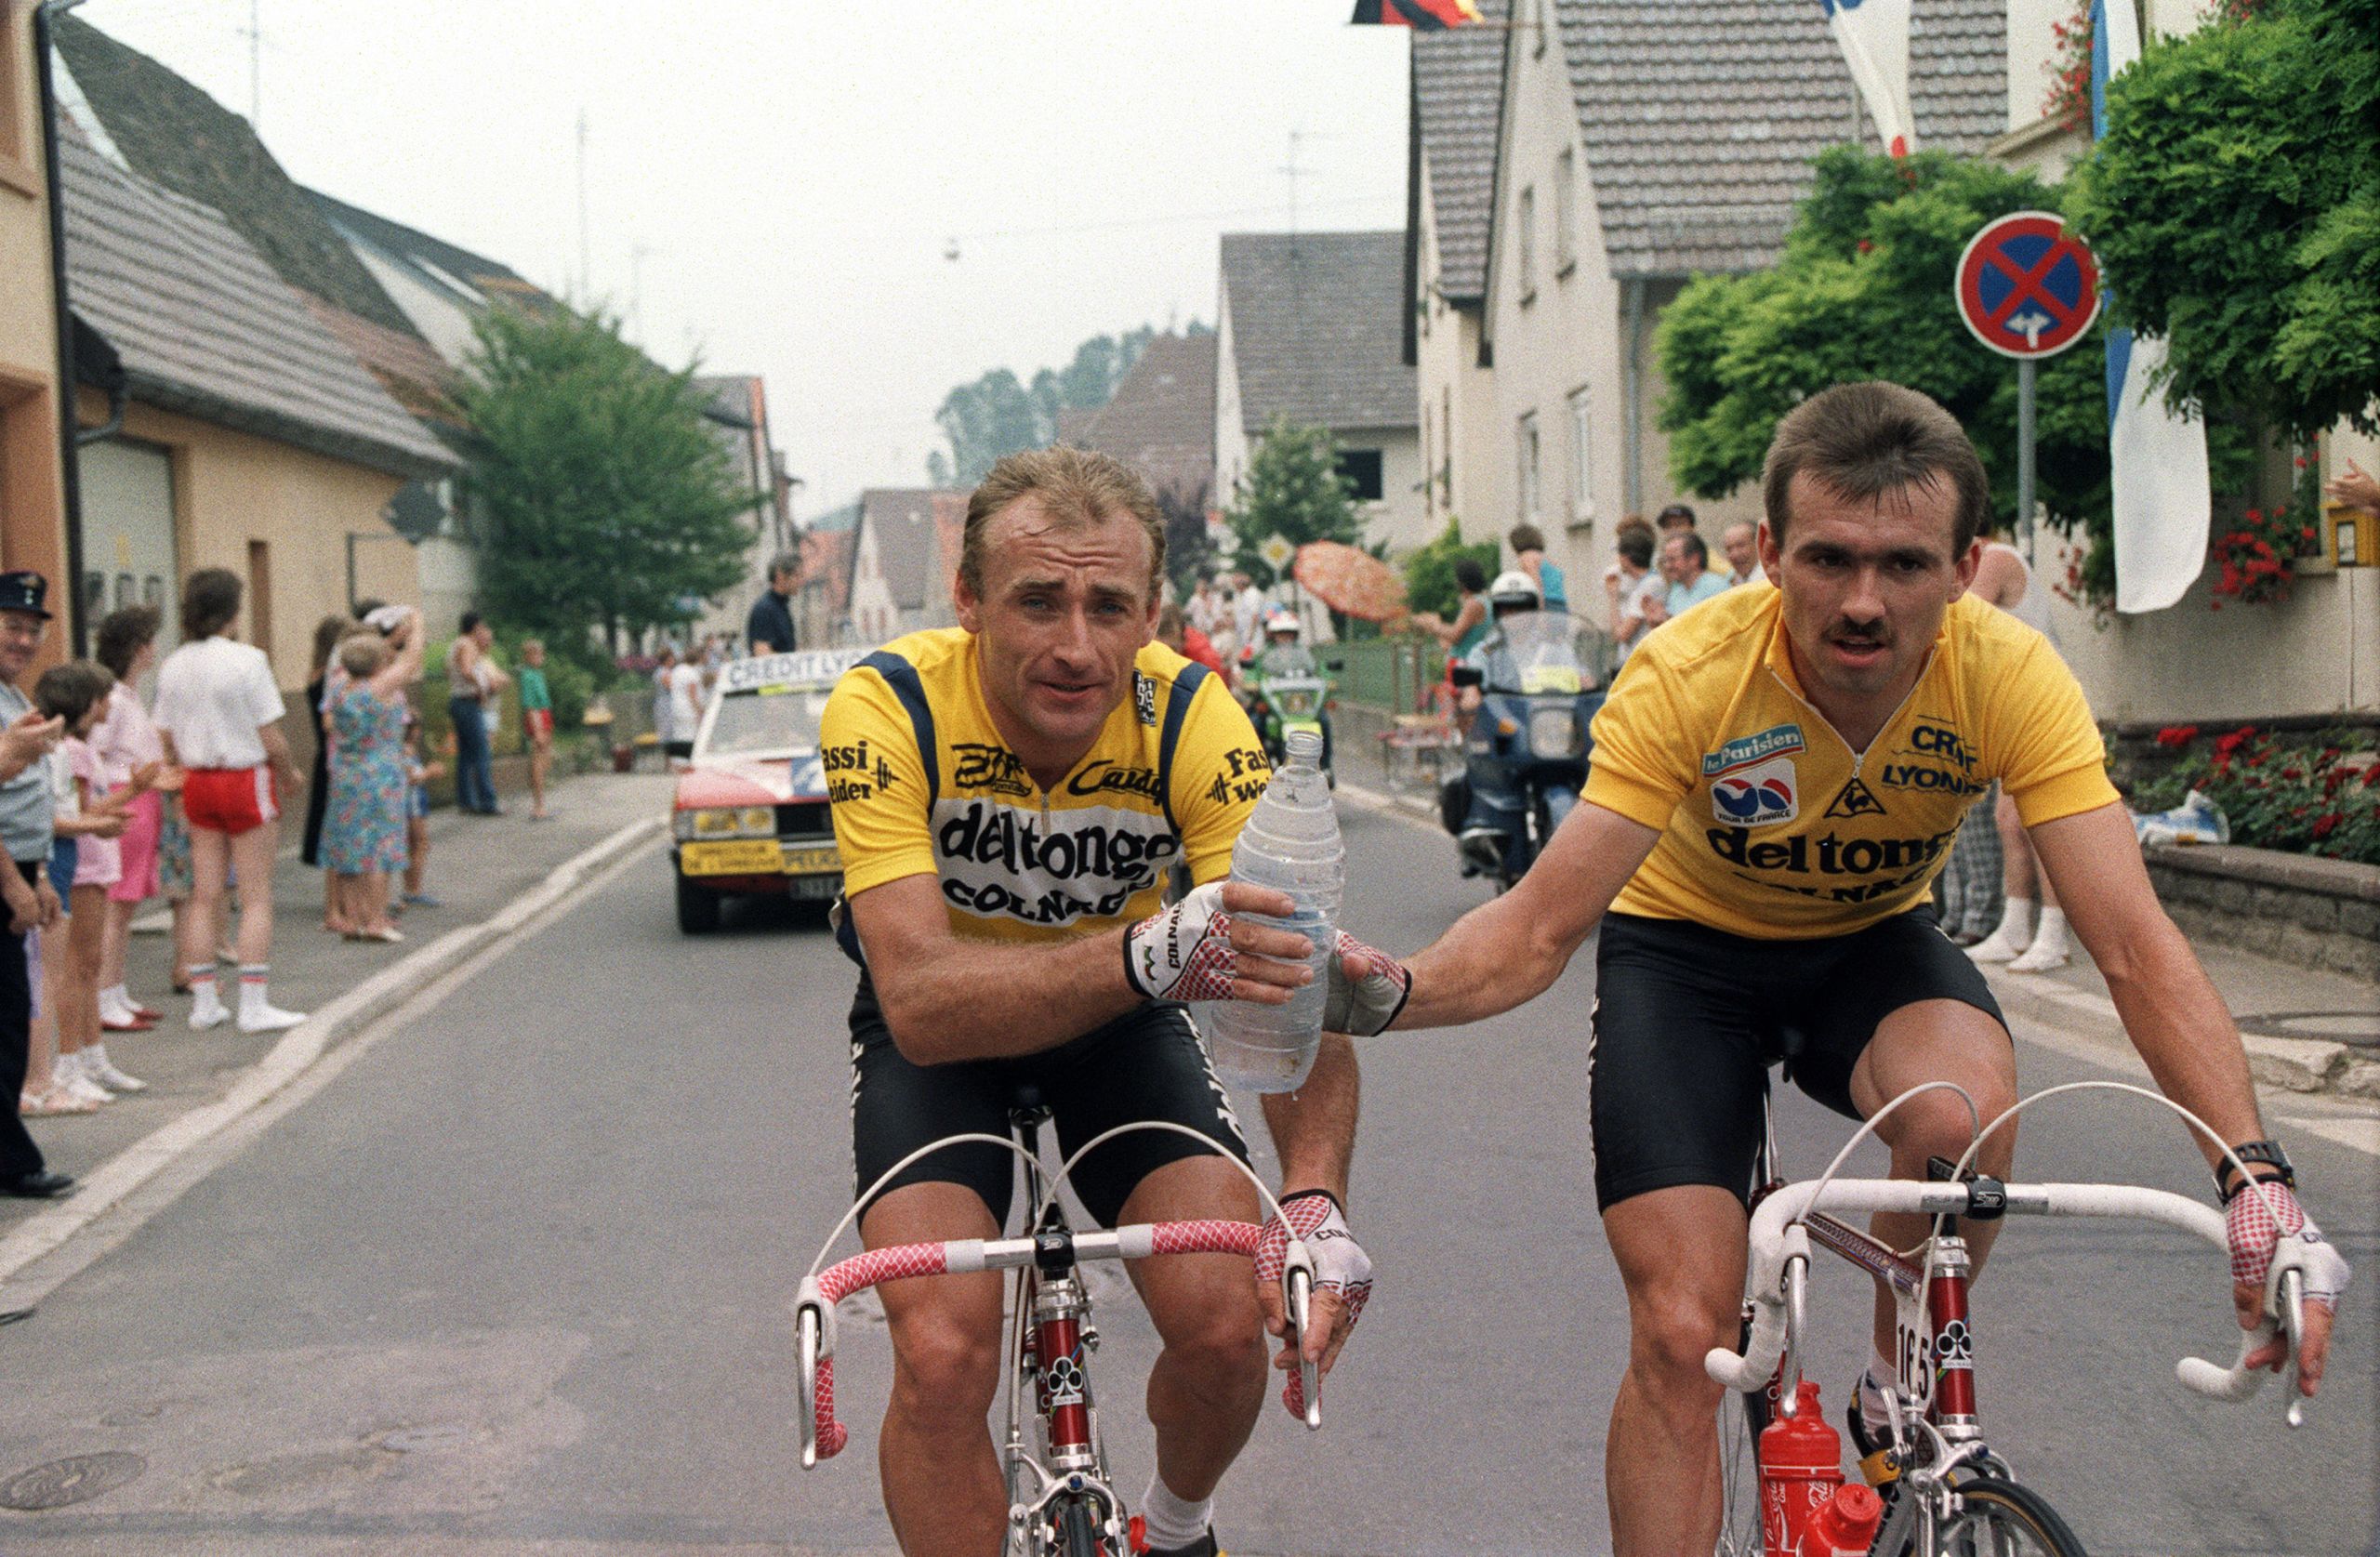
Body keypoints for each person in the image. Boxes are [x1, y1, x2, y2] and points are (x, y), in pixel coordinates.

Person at [1316, 382, 2349, 1554]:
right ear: (1769, 555)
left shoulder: (2006, 673)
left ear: (1964, 568)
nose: (1863, 601)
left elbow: (2132, 946)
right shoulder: (1691, 672)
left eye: (1904, 565)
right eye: (1828, 559)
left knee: (1962, 1115)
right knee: (1684, 1334)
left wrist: (2255, 1180)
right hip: (1685, 961)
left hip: (1866, 945)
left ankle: (1891, 1383)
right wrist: (1390, 992)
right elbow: (1539, 928)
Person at [821, 445, 1375, 1557]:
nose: (1076, 647)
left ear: (1152, 614)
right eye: (1038, 600)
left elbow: (1287, 973)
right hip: (943, 1044)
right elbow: (921, 1001)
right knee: (940, 1353)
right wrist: (1145, 951)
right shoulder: (889, 704)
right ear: (969, 599)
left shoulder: (1190, 715)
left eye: (1109, 606)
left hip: (1121, 1028)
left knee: (1227, 1324)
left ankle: (1174, 1527)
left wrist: (1314, 1197)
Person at [152, 567, 308, 1034]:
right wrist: (289, 774)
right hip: (244, 777)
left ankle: (204, 1002)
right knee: (256, 896)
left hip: (198, 780)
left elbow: (164, 733)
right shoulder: (249, 660)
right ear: (232, 612)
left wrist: (177, 769)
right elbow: (271, 737)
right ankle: (253, 1005)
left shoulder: (173, 664)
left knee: (205, 895)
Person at [1962, 521, 2075, 971]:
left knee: (2037, 823)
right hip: (2016, 709)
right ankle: (2015, 929)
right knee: (2008, 822)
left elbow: (1961, 618)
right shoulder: (1980, 561)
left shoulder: (1995, 559)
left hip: (2046, 703)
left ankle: (2053, 936)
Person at [41, 662, 154, 1103]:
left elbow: (90, 808)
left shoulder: (81, 750)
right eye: (102, 697)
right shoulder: (75, 752)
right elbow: (84, 814)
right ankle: (70, 1060)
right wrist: (129, 797)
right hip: (85, 864)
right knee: (79, 966)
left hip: (94, 861)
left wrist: (134, 790)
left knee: (89, 964)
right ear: (86, 704)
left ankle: (92, 1056)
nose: (109, 704)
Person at [0, 572, 73, 1197]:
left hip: (20, 867)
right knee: (3, 1019)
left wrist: (40, 873)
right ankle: (12, 1161)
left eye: (32, 630)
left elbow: (26, 798)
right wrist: (12, 884)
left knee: (10, 1018)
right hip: (2, 873)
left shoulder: (14, 696)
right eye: (11, 627)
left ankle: (9, 1156)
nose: (23, 640)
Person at [90, 605, 169, 1033]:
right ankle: (104, 997)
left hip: (142, 796)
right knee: (116, 905)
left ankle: (116, 988)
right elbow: (97, 752)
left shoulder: (129, 696)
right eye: (149, 642)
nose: (154, 649)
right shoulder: (116, 700)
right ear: (138, 649)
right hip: (126, 797)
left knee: (126, 904)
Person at [324, 618, 423, 943]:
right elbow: (411, 661)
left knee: (350, 846)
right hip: (381, 775)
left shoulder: (339, 688)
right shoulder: (378, 690)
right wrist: (416, 623)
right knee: (380, 849)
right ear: (378, 663)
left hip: (346, 774)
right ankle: (377, 920)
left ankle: (353, 919)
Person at [299, 614, 352, 930]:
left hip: (323, 755)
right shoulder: (337, 678)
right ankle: (339, 902)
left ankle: (341, 900)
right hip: (336, 756)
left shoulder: (314, 674)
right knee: (338, 830)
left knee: (329, 826)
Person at [445, 611, 507, 815]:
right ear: (475, 627)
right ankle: (487, 802)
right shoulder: (467, 644)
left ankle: (466, 801)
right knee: (481, 752)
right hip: (468, 702)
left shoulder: (455, 644)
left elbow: (450, 671)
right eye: (480, 627)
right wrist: (482, 687)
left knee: (465, 754)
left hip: (457, 700)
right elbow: (466, 670)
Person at [1609, 525, 1664, 663]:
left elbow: (1622, 634)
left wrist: (1613, 596)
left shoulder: (1648, 586)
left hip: (1640, 661)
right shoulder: (1653, 581)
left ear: (1626, 558)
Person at [1655, 530, 1730, 620]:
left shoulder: (1715, 587)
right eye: (1665, 560)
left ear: (1694, 559)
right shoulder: (1677, 590)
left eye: (1672, 559)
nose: (1667, 566)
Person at [518, 639, 555, 820]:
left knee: (545, 759)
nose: (539, 657)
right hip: (537, 716)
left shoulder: (538, 674)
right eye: (535, 654)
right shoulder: (527, 676)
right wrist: (538, 729)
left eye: (541, 654)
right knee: (538, 761)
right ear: (527, 656)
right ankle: (538, 806)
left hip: (544, 714)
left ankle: (541, 803)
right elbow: (530, 706)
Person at [747, 553, 801, 654]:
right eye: (796, 575)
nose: (800, 581)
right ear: (780, 576)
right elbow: (762, 652)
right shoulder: (764, 610)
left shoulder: (782, 607)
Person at [1507, 522, 1567, 611]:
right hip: (1561, 604)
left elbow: (1535, 583)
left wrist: (1539, 610)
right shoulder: (1546, 558)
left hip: (1546, 604)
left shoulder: (1526, 556)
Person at [1154, 603, 1226, 677]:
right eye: (1159, 648)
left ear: (1183, 640)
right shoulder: (1149, 646)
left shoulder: (1206, 662)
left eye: (1172, 649)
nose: (1166, 654)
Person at [1720, 519, 1765, 587]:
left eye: (1741, 545)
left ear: (1758, 544)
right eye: (1729, 549)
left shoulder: (1772, 578)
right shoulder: (1732, 581)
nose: (1735, 554)